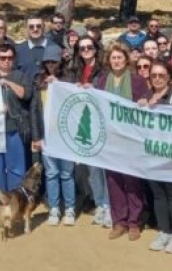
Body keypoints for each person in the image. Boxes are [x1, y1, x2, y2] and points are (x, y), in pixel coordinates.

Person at [95, 43, 150, 241]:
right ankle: (119, 221)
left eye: (120, 57)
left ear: (126, 60)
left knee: (132, 180)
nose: (116, 61)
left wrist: (144, 101)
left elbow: (147, 99)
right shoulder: (102, 81)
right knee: (113, 180)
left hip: (130, 139)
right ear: (108, 61)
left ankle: (134, 221)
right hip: (110, 139)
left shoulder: (136, 81)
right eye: (113, 58)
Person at [139, 60, 172, 254]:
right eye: (154, 76)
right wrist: (141, 106)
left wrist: (157, 105)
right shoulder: (145, 95)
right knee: (158, 194)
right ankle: (164, 231)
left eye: (162, 75)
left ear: (169, 78)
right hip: (151, 152)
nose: (158, 79)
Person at [65, 36, 110, 227]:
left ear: (96, 48)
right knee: (91, 168)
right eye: (82, 48)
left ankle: (107, 205)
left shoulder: (104, 71)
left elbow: (110, 91)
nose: (85, 50)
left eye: (89, 47)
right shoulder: (75, 71)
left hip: (102, 123)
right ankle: (99, 203)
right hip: (84, 125)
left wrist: (96, 88)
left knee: (103, 168)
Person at [0, 44, 33, 214]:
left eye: (10, 58)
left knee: (16, 168)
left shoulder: (20, 75)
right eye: (2, 58)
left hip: (14, 128)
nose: (6, 61)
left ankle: (15, 200)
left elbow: (26, 94)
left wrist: (8, 83)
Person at [32, 48, 75, 226]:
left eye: (54, 61)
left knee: (66, 173)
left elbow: (74, 100)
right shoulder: (38, 80)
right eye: (47, 62)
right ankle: (54, 208)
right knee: (51, 173)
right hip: (47, 136)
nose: (50, 65)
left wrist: (58, 85)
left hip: (66, 135)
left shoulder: (69, 78)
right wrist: (37, 137)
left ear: (60, 62)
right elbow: (34, 110)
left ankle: (70, 208)